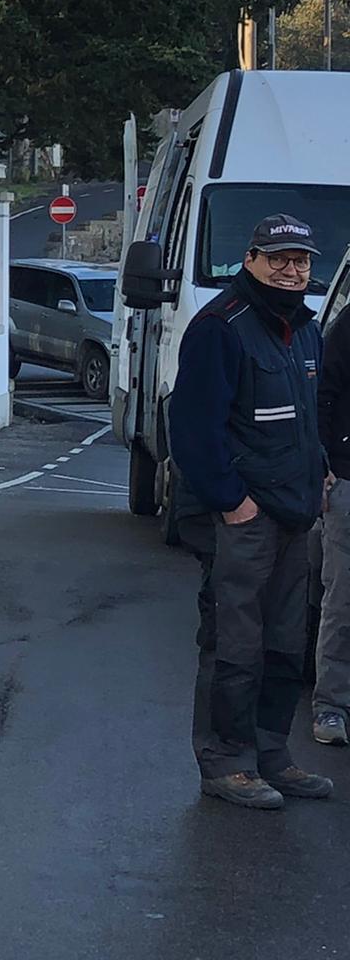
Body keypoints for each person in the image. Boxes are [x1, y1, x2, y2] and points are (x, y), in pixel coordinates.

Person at [170, 213, 331, 810]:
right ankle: (226, 762)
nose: (292, 270)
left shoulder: (306, 330)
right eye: (279, 259)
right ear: (251, 260)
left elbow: (310, 418)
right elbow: (192, 430)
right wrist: (232, 503)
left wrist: (320, 475)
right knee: (234, 644)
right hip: (244, 519)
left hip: (295, 513)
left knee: (286, 643)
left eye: (301, 260)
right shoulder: (221, 327)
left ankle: (272, 755)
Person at [310, 273, 350, 745]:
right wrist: (323, 465)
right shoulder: (347, 327)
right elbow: (320, 397)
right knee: (343, 599)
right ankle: (332, 708)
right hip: (347, 478)